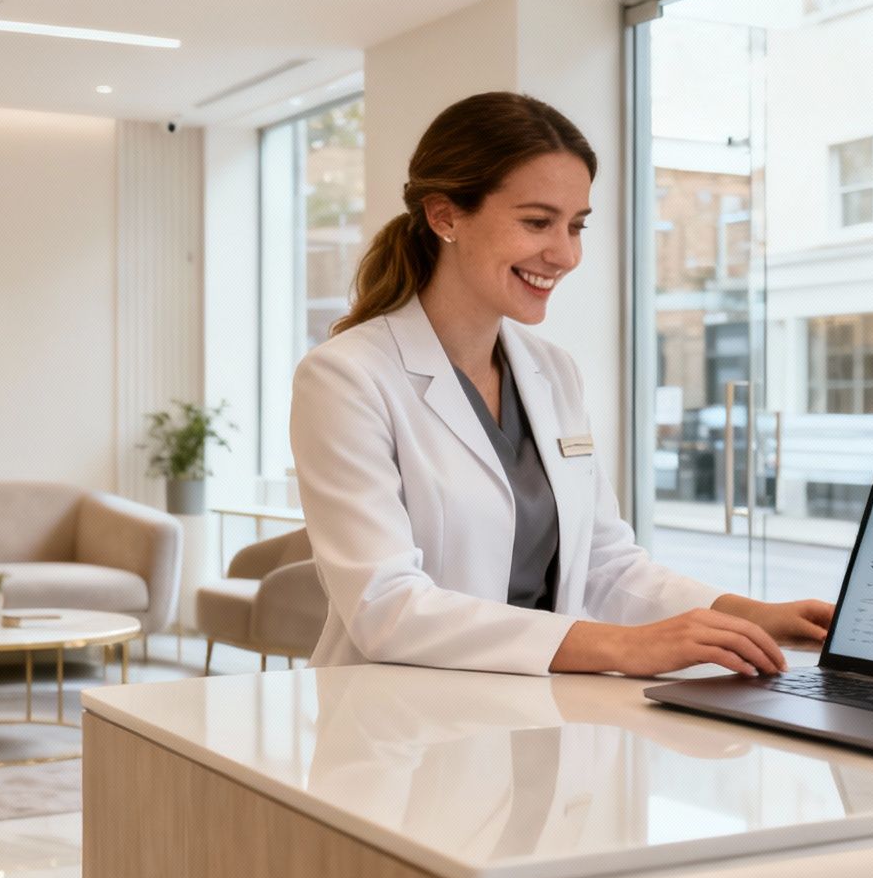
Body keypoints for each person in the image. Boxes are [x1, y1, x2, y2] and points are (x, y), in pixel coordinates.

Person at [290, 92, 833, 677]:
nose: (566, 253)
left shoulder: (553, 372)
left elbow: (606, 565)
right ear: (444, 216)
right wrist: (627, 647)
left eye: (576, 226)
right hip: (401, 731)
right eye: (537, 222)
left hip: (540, 720)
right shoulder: (346, 377)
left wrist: (749, 617)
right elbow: (386, 607)